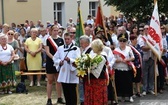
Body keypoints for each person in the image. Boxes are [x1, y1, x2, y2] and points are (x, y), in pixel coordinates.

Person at [53, 32, 80, 105]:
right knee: (66, 91)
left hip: (72, 72)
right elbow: (55, 58)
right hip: (64, 72)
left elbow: (78, 60)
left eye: (68, 39)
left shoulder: (76, 48)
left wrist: (70, 60)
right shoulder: (60, 48)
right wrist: (59, 62)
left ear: (72, 39)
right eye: (65, 39)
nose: (67, 41)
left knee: (72, 92)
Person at [84, 39, 108, 105]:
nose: (91, 48)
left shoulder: (102, 57)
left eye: (93, 46)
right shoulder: (93, 55)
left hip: (98, 82)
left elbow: (97, 72)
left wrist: (87, 69)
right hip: (90, 81)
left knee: (97, 98)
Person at [45, 25, 65, 105]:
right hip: (51, 62)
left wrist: (59, 60)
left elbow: (63, 51)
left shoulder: (61, 40)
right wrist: (54, 59)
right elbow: (47, 51)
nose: (56, 32)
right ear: (51, 31)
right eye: (54, 30)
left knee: (58, 81)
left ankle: (59, 97)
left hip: (59, 63)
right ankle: (49, 99)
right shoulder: (48, 40)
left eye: (57, 30)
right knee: (50, 81)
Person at [113, 33, 135, 102]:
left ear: (126, 42)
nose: (122, 42)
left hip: (127, 68)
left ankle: (130, 96)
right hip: (118, 68)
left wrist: (127, 59)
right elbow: (113, 59)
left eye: (124, 41)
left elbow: (133, 57)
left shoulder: (129, 49)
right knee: (120, 83)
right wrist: (118, 60)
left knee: (128, 83)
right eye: (121, 41)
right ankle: (121, 96)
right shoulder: (116, 49)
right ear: (118, 41)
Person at [139, 25, 155, 96]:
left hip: (152, 57)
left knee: (151, 74)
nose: (146, 30)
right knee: (145, 74)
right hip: (145, 58)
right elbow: (143, 48)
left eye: (147, 29)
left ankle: (150, 89)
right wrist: (151, 47)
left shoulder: (152, 38)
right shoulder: (141, 38)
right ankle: (144, 89)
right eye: (145, 29)